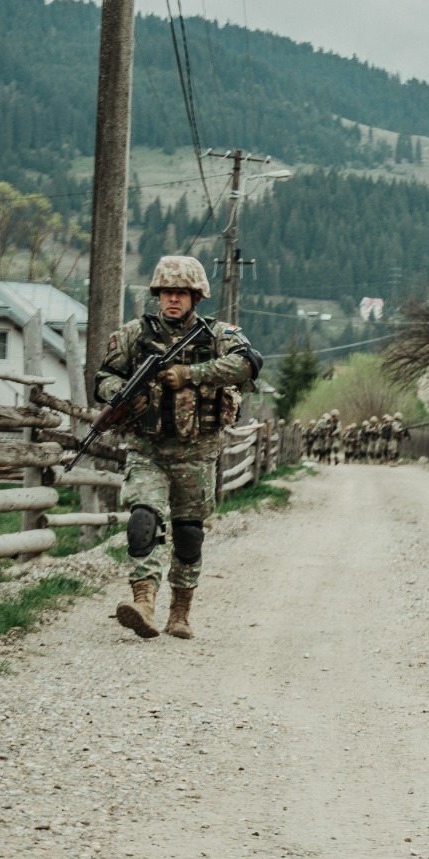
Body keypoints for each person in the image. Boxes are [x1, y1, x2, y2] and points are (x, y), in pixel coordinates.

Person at [97, 255, 261, 640]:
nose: (173, 299)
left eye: (181, 293)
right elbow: (104, 377)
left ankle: (180, 612)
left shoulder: (219, 334)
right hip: (147, 447)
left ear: (196, 296)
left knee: (189, 535)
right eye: (167, 292)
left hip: (197, 450)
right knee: (142, 521)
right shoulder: (133, 334)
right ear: (157, 294)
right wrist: (120, 395)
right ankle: (144, 603)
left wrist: (191, 374)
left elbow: (248, 364)